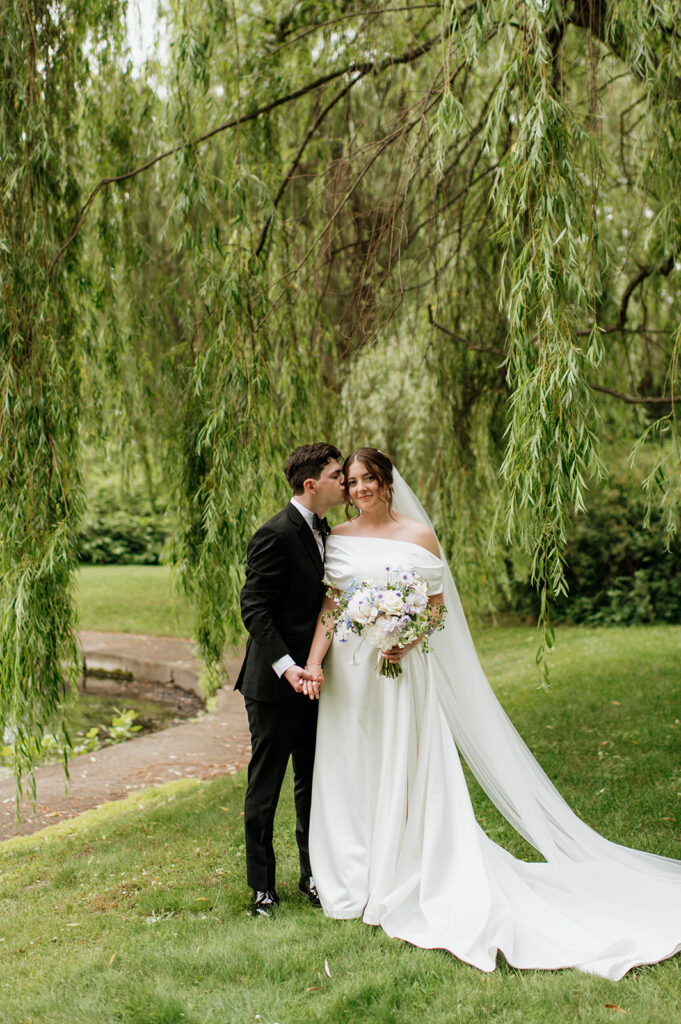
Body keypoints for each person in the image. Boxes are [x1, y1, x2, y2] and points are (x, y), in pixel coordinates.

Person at [304, 447, 681, 979]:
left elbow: (435, 610)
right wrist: (314, 664)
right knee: (349, 766)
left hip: (401, 675)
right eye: (354, 481)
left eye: (370, 480)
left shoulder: (419, 536)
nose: (360, 489)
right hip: (349, 674)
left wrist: (407, 640)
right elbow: (330, 607)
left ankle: (405, 865)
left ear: (387, 483)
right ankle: (352, 873)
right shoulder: (336, 540)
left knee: (403, 765)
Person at [235, 442, 344, 916]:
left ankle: (312, 874)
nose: (346, 482)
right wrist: (287, 666)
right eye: (338, 475)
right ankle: (262, 887)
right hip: (275, 685)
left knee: (313, 783)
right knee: (267, 786)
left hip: (319, 682)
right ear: (310, 483)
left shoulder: (330, 532)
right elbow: (254, 608)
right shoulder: (274, 534)